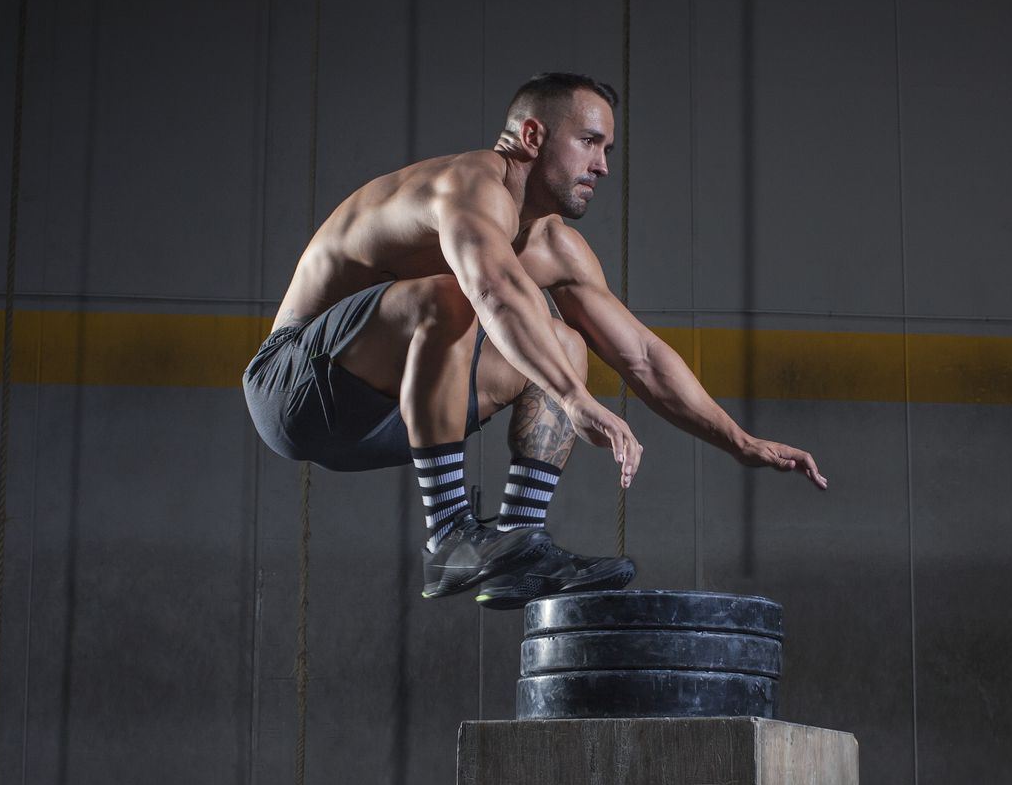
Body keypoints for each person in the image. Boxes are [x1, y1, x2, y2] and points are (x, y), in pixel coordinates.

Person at [245, 71, 826, 609]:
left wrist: (740, 442)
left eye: (608, 151)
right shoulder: (468, 187)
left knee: (566, 344)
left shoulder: (555, 247)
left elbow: (642, 356)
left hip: (385, 418)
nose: (601, 165)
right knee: (452, 295)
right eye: (590, 142)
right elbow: (492, 292)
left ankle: (517, 542)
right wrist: (575, 400)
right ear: (531, 135)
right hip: (293, 387)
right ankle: (450, 536)